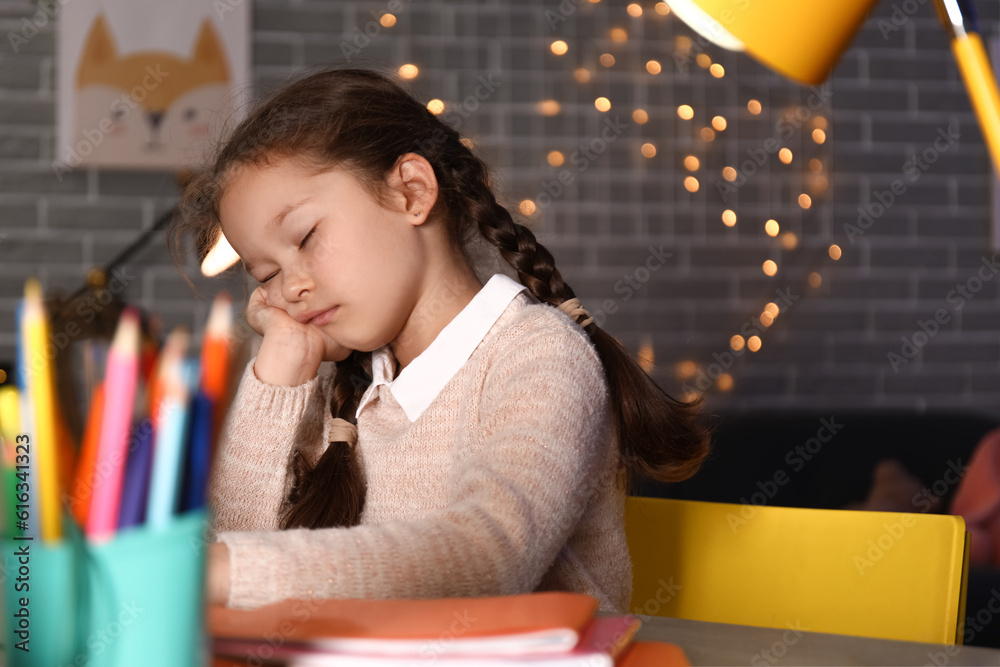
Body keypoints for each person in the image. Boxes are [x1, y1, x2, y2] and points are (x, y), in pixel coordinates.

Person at [169, 67, 710, 612]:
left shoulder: (541, 355)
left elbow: (490, 555)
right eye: (266, 274)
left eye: (306, 238)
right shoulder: (339, 394)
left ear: (411, 192)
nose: (292, 286)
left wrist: (222, 572)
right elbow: (230, 558)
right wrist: (282, 362)